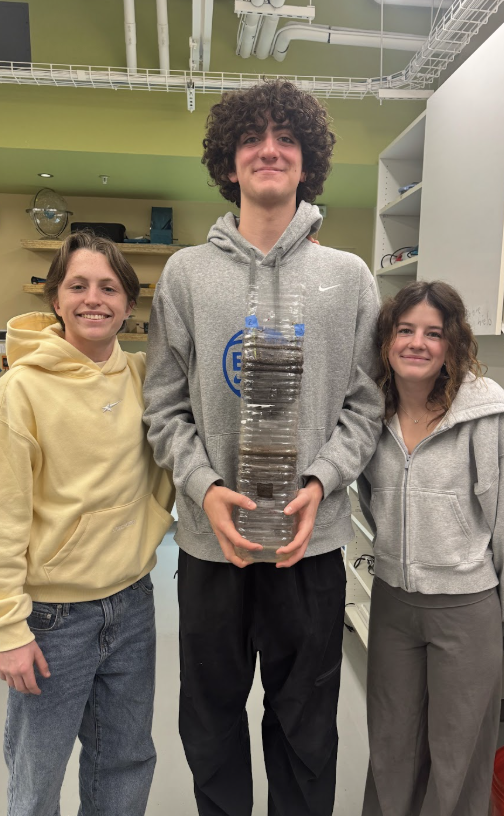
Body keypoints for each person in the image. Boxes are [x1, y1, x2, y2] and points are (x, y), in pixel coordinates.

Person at [143, 79, 382, 816]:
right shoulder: (185, 275)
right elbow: (164, 406)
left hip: (309, 551)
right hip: (212, 552)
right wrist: (205, 489)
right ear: (230, 159)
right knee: (211, 723)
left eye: (287, 138)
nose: (270, 150)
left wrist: (321, 482)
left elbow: (366, 406)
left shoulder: (349, 279)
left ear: (306, 161)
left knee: (306, 729)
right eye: (254, 137)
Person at [0, 231, 174, 816]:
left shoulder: (143, 379)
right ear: (56, 299)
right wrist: (9, 627)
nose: (93, 299)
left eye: (109, 287)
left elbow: (173, 457)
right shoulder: (20, 390)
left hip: (132, 605)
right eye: (77, 286)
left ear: (131, 304)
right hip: (54, 620)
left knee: (126, 760)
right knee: (37, 776)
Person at [358, 280, 504, 816]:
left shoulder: (488, 416)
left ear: (452, 346)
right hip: (393, 602)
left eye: (433, 333)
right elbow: (371, 502)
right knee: (391, 744)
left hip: (465, 608)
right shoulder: (372, 416)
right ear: (387, 340)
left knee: (457, 753)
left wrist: (493, 612)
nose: (417, 343)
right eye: (405, 330)